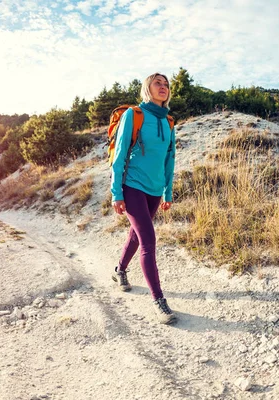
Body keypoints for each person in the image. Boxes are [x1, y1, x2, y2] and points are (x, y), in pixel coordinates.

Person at [110, 72, 177, 325]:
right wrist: (116, 192)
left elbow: (170, 159)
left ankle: (120, 271)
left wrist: (167, 192)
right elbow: (119, 155)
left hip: (155, 188)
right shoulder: (134, 115)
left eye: (166, 84)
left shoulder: (169, 122)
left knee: (137, 235)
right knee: (148, 240)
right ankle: (159, 301)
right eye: (158, 83)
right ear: (147, 88)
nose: (163, 87)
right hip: (133, 185)